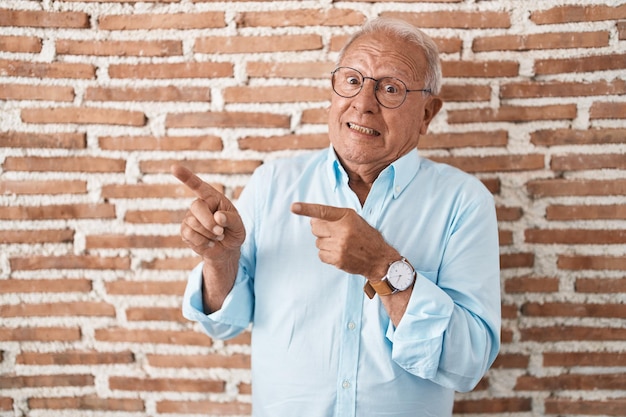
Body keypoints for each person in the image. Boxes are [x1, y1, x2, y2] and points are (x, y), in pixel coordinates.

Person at [173, 17, 501, 417]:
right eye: (351, 81)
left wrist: (385, 266)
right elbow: (224, 325)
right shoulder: (273, 183)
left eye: (391, 89)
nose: (363, 103)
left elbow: (468, 364)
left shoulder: (464, 203)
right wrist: (219, 261)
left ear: (427, 113)